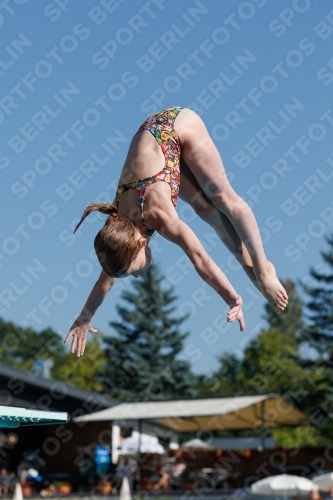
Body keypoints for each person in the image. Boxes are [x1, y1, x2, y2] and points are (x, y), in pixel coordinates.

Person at [64, 107, 288, 356]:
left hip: (175, 125)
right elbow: (104, 283)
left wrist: (232, 298)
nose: (138, 275)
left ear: (139, 244)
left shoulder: (159, 217)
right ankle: (251, 269)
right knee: (206, 212)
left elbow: (200, 259)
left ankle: (263, 268)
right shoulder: (121, 233)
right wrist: (85, 317)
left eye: (134, 271)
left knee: (222, 198)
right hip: (158, 150)